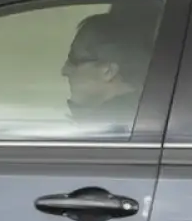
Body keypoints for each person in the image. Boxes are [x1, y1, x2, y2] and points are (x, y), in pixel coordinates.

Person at [61, 8, 156, 136]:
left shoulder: (106, 133)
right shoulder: (144, 120)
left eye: (74, 60)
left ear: (108, 71)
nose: (64, 71)